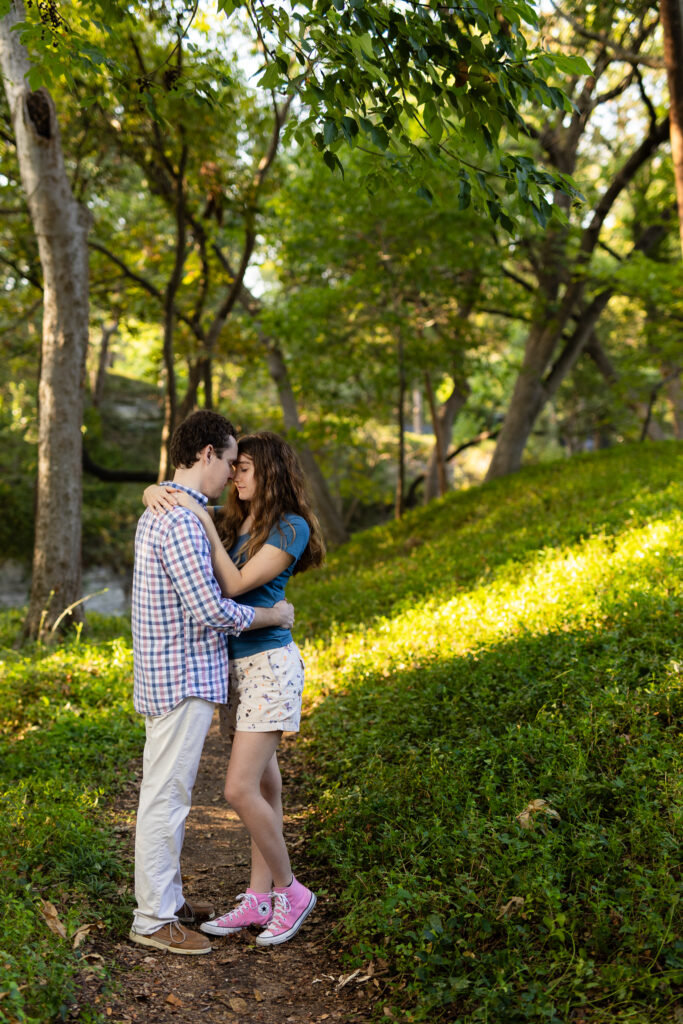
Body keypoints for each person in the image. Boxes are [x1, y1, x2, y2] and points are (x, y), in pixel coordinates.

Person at [143, 431, 325, 946]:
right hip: (239, 671)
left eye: (244, 467)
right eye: (233, 466)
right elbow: (182, 484)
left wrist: (200, 516)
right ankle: (257, 897)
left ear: (267, 471)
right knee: (267, 788)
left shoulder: (289, 526)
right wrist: (152, 491)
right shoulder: (239, 520)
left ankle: (291, 892)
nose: (235, 475)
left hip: (270, 667)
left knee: (238, 789)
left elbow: (233, 586)